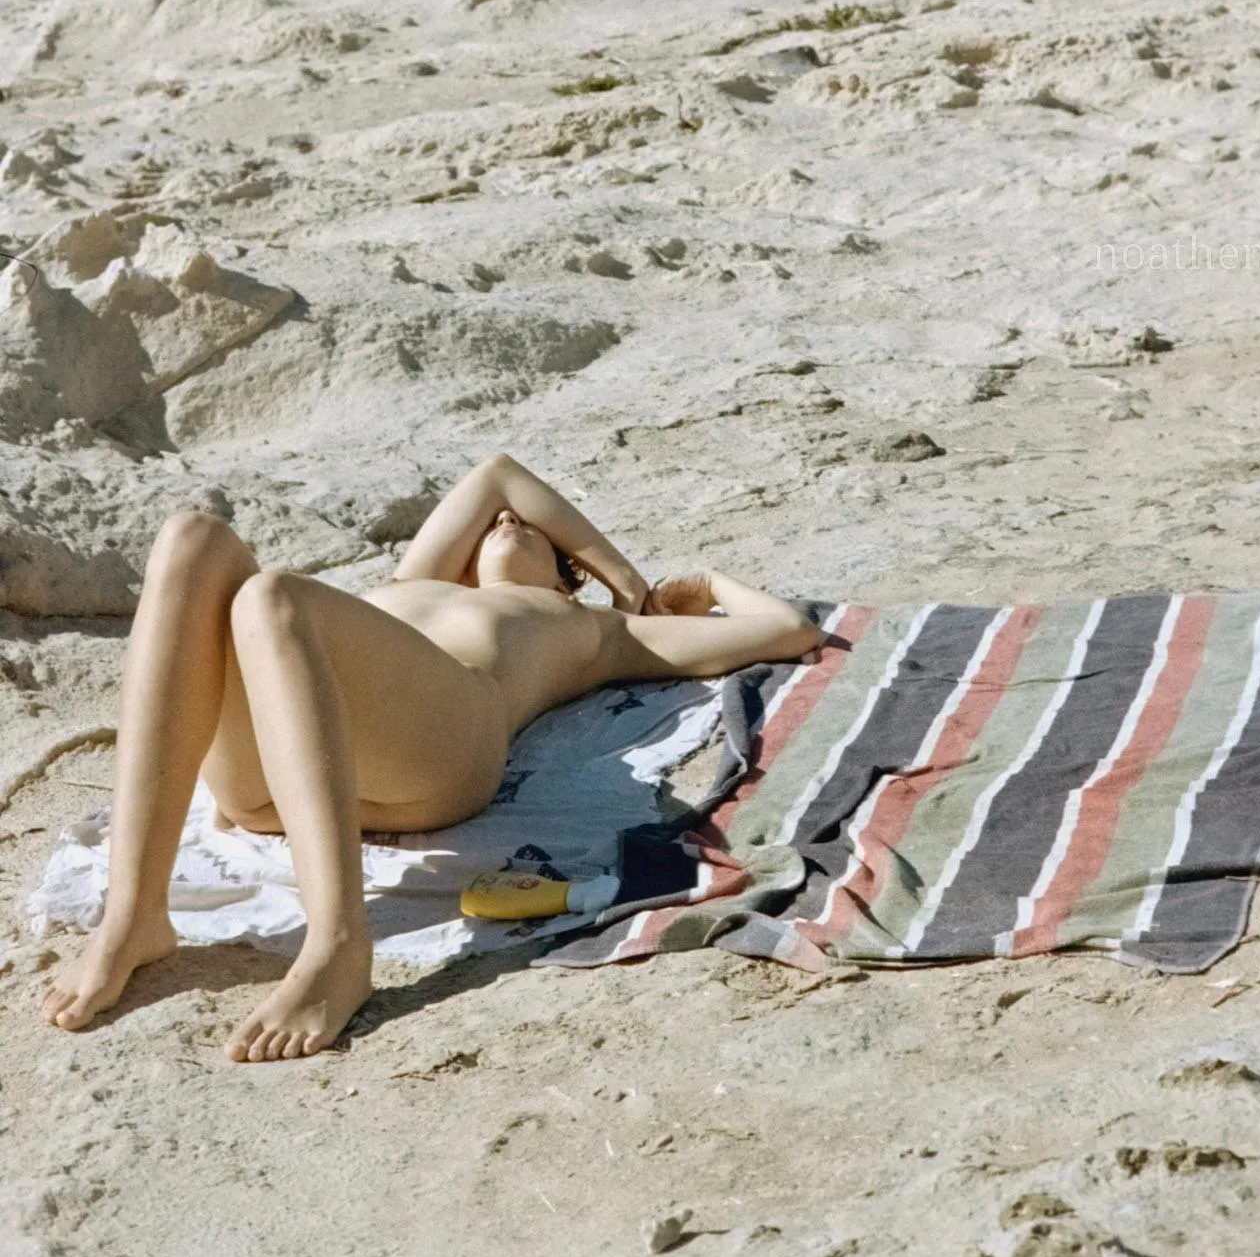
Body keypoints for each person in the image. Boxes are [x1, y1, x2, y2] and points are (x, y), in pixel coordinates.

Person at [39, 454, 819, 1062]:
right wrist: (618, 569)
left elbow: (790, 630)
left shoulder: (599, 630)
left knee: (272, 593)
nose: (505, 519)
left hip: (439, 755)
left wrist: (669, 589)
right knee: (192, 536)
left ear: (563, 575)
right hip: (273, 782)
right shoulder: (410, 583)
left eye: (532, 532)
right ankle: (135, 915)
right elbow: (498, 475)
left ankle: (339, 943)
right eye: (492, 527)